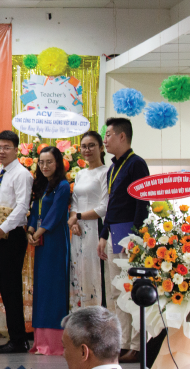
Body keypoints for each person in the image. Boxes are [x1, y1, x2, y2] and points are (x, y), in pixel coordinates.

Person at [98, 117, 150, 364]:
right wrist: (103, 235)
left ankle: (137, 347)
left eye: (108, 135)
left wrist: (135, 237)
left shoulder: (136, 164)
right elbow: (111, 206)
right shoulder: (112, 168)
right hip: (113, 234)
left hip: (130, 236)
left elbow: (142, 203)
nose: (105, 140)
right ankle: (122, 343)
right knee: (117, 292)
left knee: (132, 291)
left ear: (122, 136)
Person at [0, 130, 34, 354]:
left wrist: (2, 229)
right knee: (5, 287)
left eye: (6, 148)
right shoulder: (0, 172)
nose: (1, 151)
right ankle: (16, 337)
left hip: (12, 235)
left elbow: (22, 207)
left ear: (16, 150)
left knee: (11, 288)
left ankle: (19, 340)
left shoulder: (21, 174)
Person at [27, 146, 71, 356]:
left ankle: (54, 343)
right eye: (41, 162)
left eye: (49, 162)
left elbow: (55, 213)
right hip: (41, 241)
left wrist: (38, 232)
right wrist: (30, 231)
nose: (44, 166)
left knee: (54, 287)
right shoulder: (41, 185)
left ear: (58, 163)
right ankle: (40, 341)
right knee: (42, 288)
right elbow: (35, 213)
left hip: (55, 241)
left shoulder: (63, 186)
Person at [68, 131, 108, 310]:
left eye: (92, 145)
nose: (87, 150)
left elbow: (104, 207)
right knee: (78, 271)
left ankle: (97, 314)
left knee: (94, 272)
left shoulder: (106, 172)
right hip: (78, 230)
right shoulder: (81, 174)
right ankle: (80, 314)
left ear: (101, 148)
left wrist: (78, 217)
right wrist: (74, 221)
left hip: (97, 228)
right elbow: (75, 202)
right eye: (84, 146)